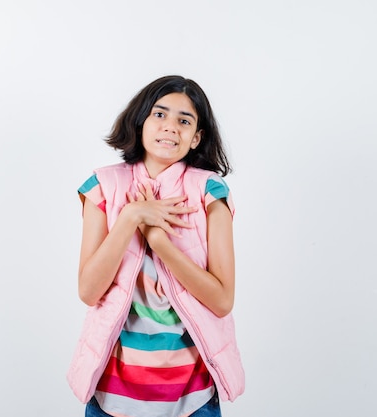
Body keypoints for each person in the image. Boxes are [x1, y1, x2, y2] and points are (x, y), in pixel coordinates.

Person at [67, 75, 245, 417]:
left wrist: (159, 242)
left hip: (192, 399)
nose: (170, 127)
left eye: (184, 120)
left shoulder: (210, 192)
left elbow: (222, 301)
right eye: (159, 114)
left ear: (197, 137)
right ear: (140, 120)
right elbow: (89, 292)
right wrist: (132, 215)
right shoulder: (102, 187)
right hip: (111, 398)